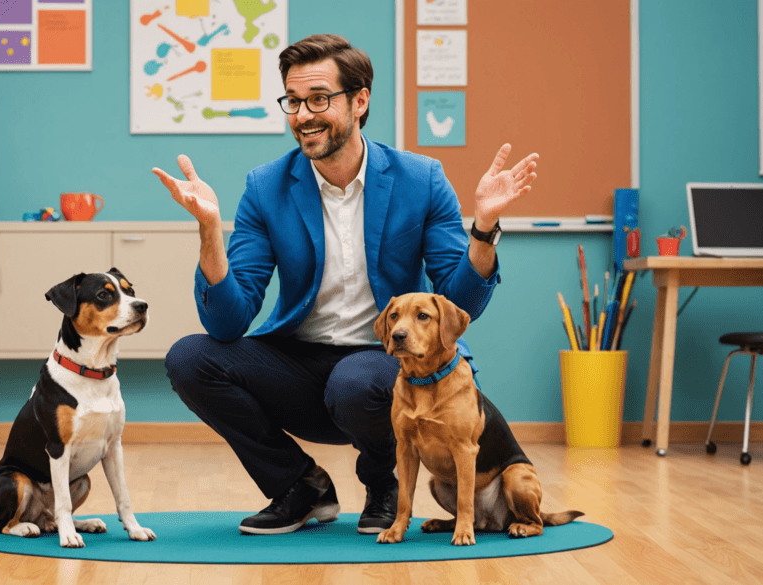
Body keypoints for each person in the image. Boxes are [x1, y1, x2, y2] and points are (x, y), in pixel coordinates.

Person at [152, 34, 537, 535]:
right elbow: (227, 322)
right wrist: (209, 231)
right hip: (299, 367)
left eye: (319, 99)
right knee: (189, 357)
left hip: (384, 368)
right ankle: (300, 486)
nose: (303, 115)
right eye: (293, 101)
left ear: (359, 101)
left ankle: (383, 484)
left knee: (355, 380)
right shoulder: (266, 187)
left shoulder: (420, 178)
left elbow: (459, 302)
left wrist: (483, 229)